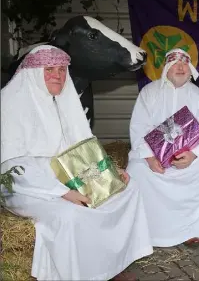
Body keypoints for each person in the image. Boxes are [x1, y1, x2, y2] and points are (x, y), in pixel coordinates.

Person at [0, 45, 153, 280]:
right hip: (27, 186)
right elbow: (12, 168)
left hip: (70, 175)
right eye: (49, 69)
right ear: (32, 72)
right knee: (71, 215)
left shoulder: (63, 100)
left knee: (127, 190)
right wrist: (61, 191)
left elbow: (83, 148)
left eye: (62, 70)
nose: (58, 76)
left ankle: (109, 267)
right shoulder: (10, 105)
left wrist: (108, 172)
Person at [126, 48, 199, 248]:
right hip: (154, 160)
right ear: (166, 67)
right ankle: (147, 231)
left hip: (187, 160)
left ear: (190, 69)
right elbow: (138, 127)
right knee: (136, 171)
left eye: (184, 64)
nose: (180, 67)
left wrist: (193, 155)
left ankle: (190, 230)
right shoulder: (149, 92)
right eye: (175, 64)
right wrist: (150, 158)